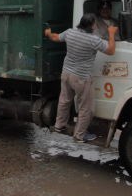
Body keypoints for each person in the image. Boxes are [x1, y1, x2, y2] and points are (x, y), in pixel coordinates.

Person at [44, 14, 117, 143]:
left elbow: (55, 37)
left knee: (64, 100)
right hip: (81, 78)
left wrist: (49, 34)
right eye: (95, 24)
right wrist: (111, 33)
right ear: (92, 25)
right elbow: (111, 51)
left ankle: (59, 126)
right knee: (86, 108)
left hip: (66, 74)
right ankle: (79, 135)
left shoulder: (70, 32)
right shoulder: (93, 40)